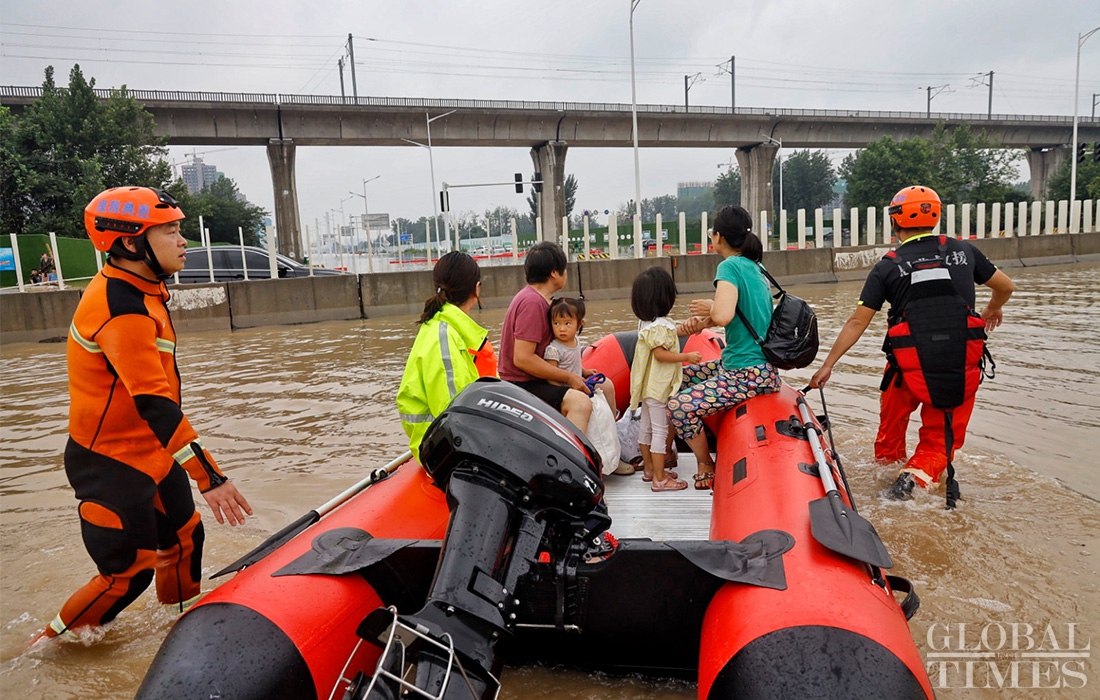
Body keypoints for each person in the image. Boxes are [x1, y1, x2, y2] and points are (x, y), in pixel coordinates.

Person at [34, 187, 252, 645]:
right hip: (109, 460)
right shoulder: (120, 306)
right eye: (170, 231)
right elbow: (154, 402)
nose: (183, 241)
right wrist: (210, 477)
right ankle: (43, 654)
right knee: (126, 575)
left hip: (151, 448)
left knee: (185, 540)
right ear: (131, 243)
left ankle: (184, 633)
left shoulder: (144, 290)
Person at [810, 185, 1015, 502]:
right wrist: (993, 307)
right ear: (936, 216)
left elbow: (857, 322)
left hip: (904, 367)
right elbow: (1006, 286)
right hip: (957, 368)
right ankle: (912, 480)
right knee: (939, 441)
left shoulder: (888, 266)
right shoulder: (964, 252)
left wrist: (827, 365)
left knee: (890, 433)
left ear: (894, 222)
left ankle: (886, 477)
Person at [669, 205, 783, 490]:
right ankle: (667, 450)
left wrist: (711, 308)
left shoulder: (729, 266)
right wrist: (699, 323)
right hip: (747, 365)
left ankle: (705, 462)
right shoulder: (756, 267)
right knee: (675, 378)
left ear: (718, 236)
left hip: (746, 372)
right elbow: (741, 313)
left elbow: (723, 315)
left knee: (678, 406)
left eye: (712, 233)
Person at [397, 251, 497, 462]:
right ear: (476, 289)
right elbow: (454, 417)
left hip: (444, 442)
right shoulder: (443, 338)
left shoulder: (446, 327)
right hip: (441, 450)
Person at [498, 241, 592, 432]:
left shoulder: (535, 298)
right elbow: (523, 358)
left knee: (603, 384)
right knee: (580, 404)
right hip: (523, 384)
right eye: (564, 269)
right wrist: (569, 376)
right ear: (554, 273)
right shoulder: (532, 303)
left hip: (533, 380)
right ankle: (571, 460)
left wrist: (580, 371)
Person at [628, 267, 699, 492]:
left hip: (647, 387)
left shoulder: (647, 323)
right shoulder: (660, 325)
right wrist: (686, 356)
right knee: (659, 430)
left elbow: (666, 335)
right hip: (658, 388)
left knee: (646, 428)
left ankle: (650, 470)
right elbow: (661, 354)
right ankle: (660, 478)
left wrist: (689, 328)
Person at [543, 296, 617, 418]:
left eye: (567, 323)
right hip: (566, 390)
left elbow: (573, 361)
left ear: (579, 324)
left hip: (578, 381)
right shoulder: (553, 349)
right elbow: (550, 375)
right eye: (556, 323)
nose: (562, 328)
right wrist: (563, 391)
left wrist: (584, 371)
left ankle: (612, 418)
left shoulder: (576, 340)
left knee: (607, 385)